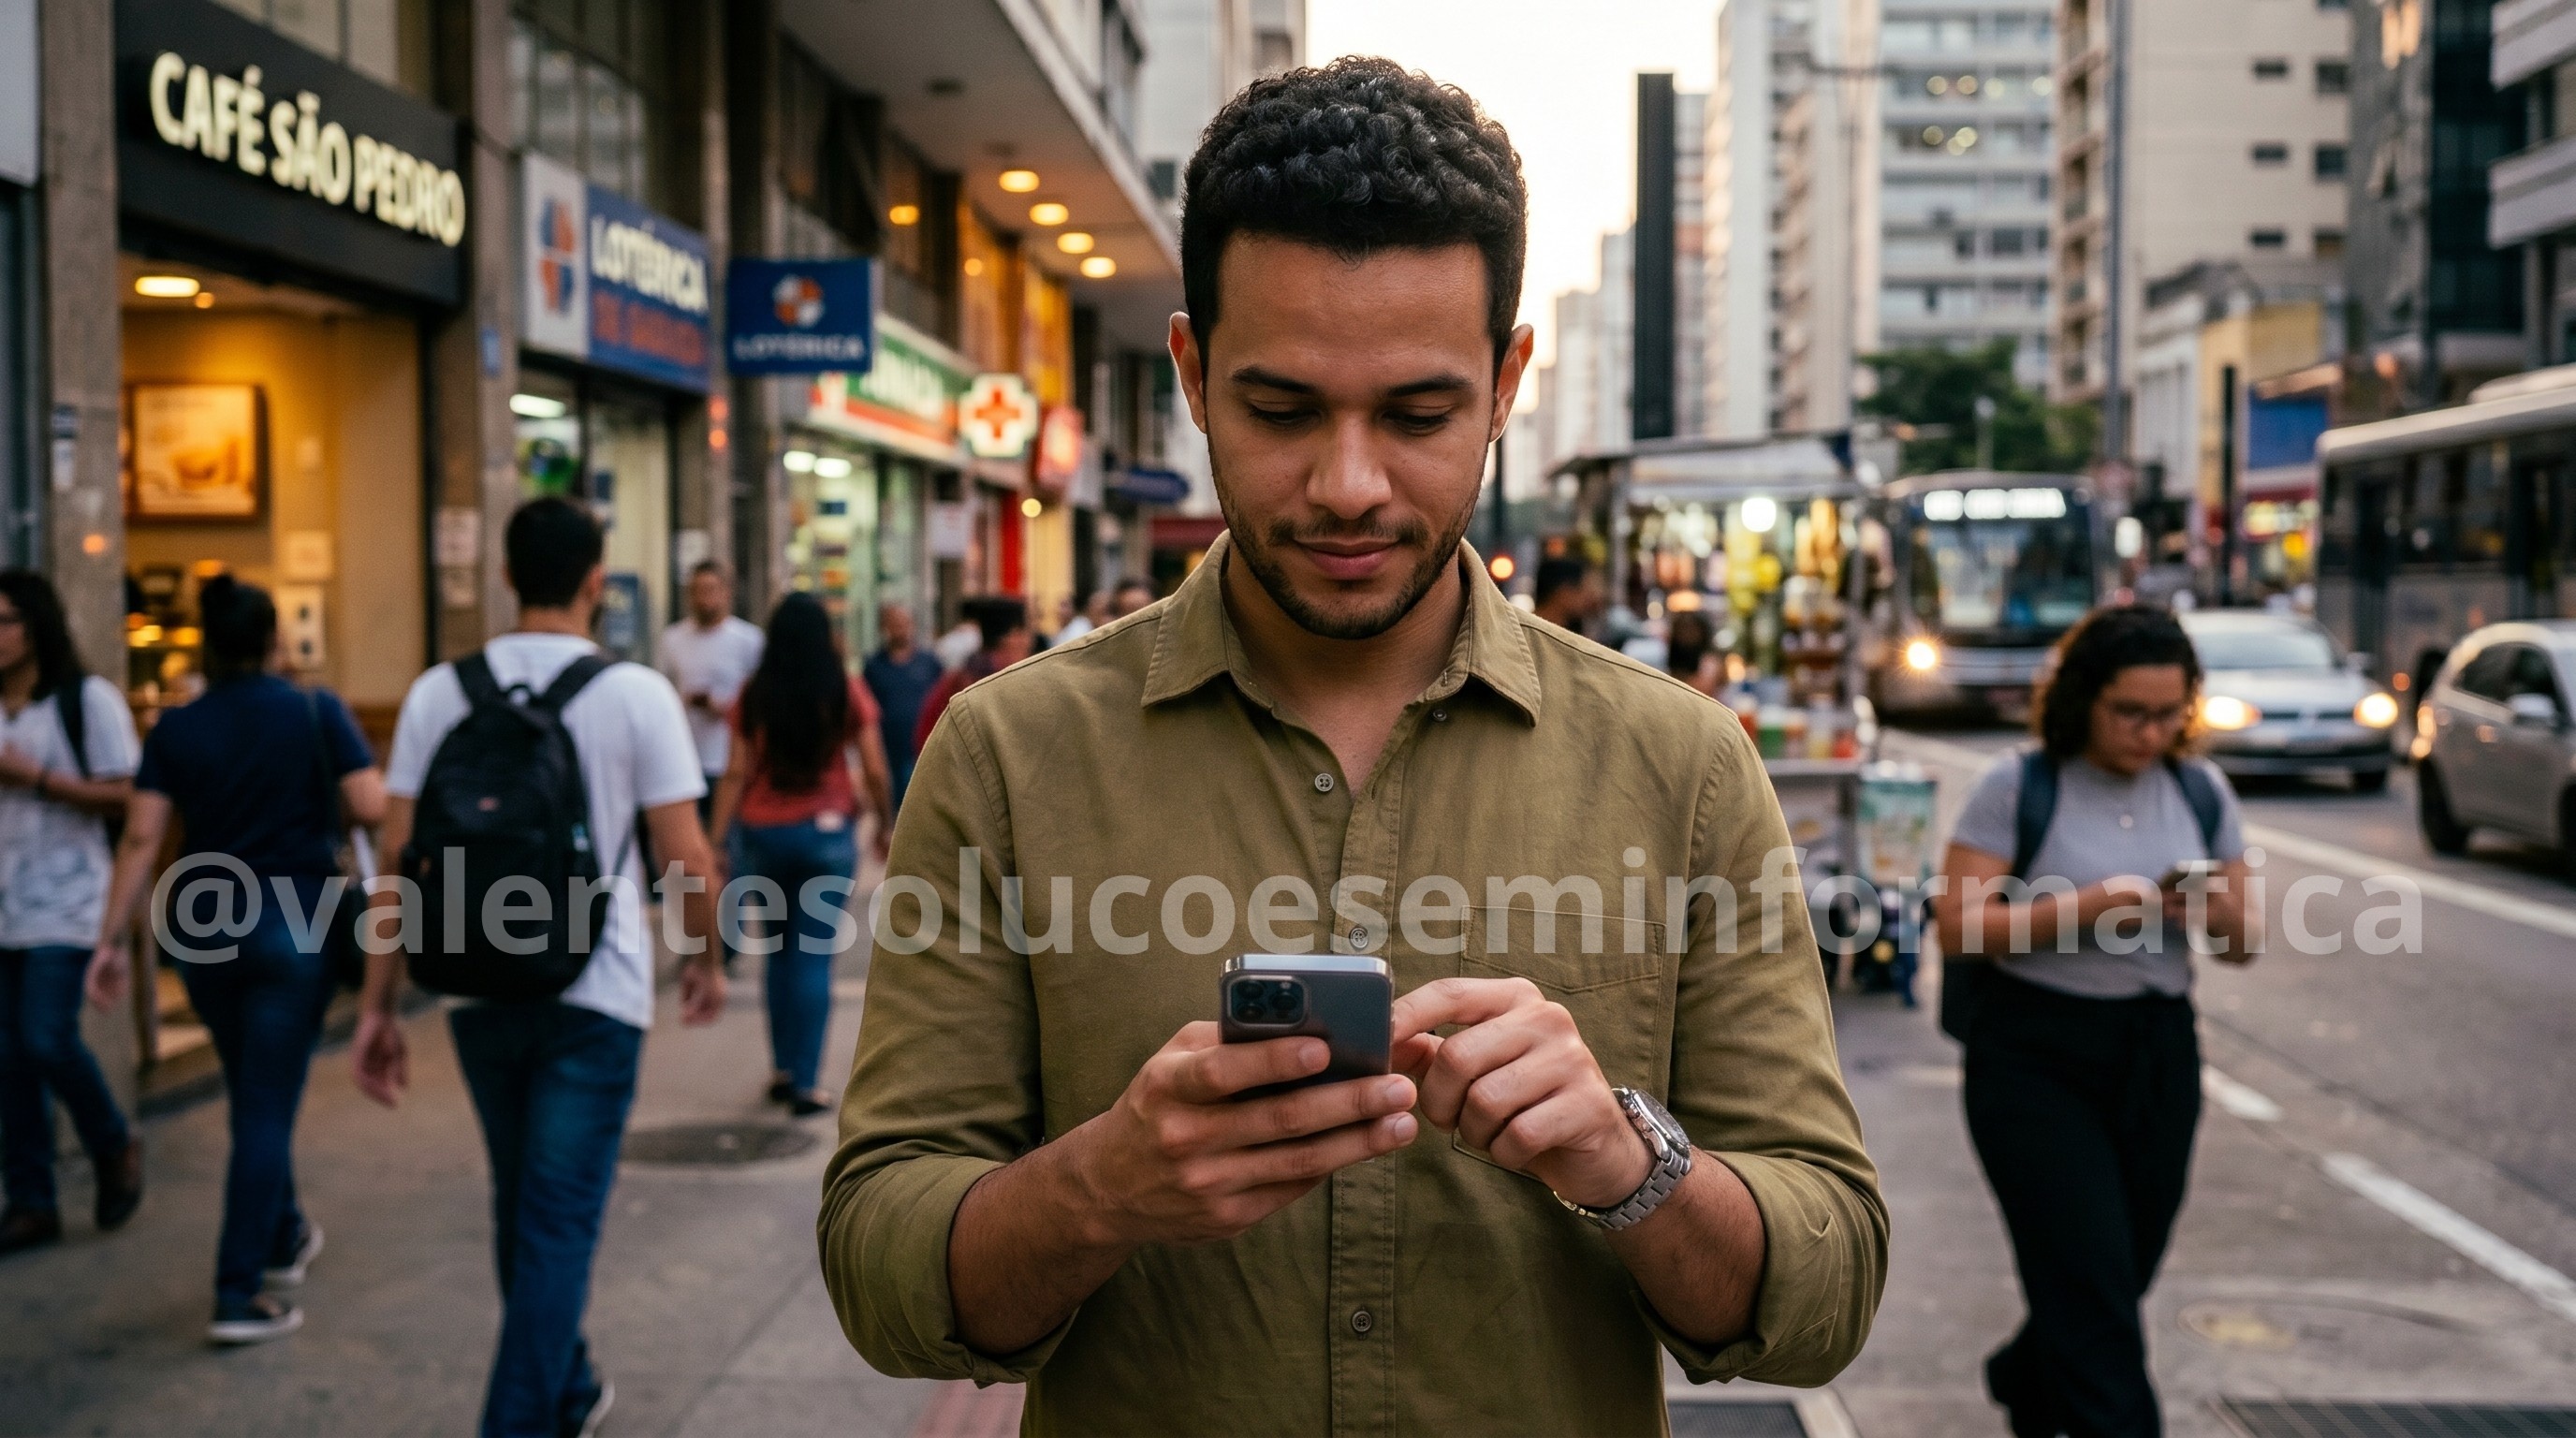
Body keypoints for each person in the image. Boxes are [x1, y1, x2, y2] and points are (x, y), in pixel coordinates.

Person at [819, 58, 1885, 1432]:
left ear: (1507, 385)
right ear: (1194, 376)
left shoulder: (1682, 766)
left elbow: (1827, 1288)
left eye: (1418, 416)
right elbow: (880, 1268)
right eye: (1282, 412)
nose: (1348, 485)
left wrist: (1629, 1160)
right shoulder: (1008, 754)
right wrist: (1104, 1187)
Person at [354, 498, 723, 1437]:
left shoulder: (441, 690)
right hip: (595, 993)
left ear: (509, 579)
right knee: (555, 1220)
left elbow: (396, 860)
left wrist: (378, 1007)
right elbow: (684, 853)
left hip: (475, 985)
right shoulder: (635, 693)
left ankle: (566, 1385)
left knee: (522, 1207)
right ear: (597, 582)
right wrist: (704, 955)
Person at [1932, 604, 2260, 1437]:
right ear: (2082, 699)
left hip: (2156, 1054)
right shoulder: (2020, 784)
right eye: (2130, 713)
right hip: (2035, 1057)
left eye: (2169, 714)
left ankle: (2026, 1374)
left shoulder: (2199, 788)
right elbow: (1960, 925)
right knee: (2090, 1287)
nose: (2150, 733)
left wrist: (2211, 912)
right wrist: (2089, 909)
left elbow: (2245, 942)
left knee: (2121, 1270)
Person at [91, 576, 384, 1342]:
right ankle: (237, 1288)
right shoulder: (317, 713)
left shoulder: (177, 730)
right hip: (294, 923)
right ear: (273, 640)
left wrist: (109, 938)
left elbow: (142, 837)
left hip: (201, 927)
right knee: (265, 1107)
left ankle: (283, 1232)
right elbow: (373, 807)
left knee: (251, 1088)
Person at [0, 571, 143, 1258]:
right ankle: (31, 1200)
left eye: (5, 620)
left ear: (37, 624)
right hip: (2, 901)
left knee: (45, 1036)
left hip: (69, 899)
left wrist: (37, 780)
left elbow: (128, 800)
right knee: (8, 1059)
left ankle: (112, 1143)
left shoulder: (89, 703)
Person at [710, 592, 893, 1117]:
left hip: (764, 834)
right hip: (827, 836)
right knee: (812, 953)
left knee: (777, 952)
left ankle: (784, 1068)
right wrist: (884, 821)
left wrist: (717, 839)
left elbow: (736, 771)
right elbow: (876, 766)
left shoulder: (755, 692)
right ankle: (807, 1083)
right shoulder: (843, 687)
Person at [657, 561, 765, 822]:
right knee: (678, 853)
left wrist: (723, 707)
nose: (703, 598)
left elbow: (760, 702)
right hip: (683, 759)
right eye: (696, 590)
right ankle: (679, 866)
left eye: (710, 589)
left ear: (726, 592)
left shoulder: (748, 640)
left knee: (724, 844)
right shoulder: (672, 639)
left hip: (729, 764)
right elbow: (662, 694)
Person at [910, 596, 1030, 751]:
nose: (1028, 643)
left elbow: (923, 735)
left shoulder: (957, 677)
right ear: (1013, 638)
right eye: (1024, 634)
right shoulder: (1001, 683)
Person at [860, 603, 943, 816]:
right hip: (888, 750)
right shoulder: (874, 666)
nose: (900, 629)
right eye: (894, 624)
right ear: (884, 627)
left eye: (904, 624)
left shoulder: (929, 663)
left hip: (924, 750)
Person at [1530, 554, 1601, 635]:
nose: (1593, 597)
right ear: (1563, 592)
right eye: (1585, 589)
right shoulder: (1529, 633)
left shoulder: (1569, 630)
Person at [1664, 609, 1722, 697]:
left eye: (1691, 630)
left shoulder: (1710, 662)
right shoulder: (1668, 657)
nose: (1686, 634)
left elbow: (1704, 688)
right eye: (1682, 629)